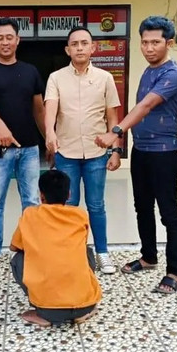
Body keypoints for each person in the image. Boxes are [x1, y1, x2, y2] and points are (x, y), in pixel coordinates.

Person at [95, 16, 177, 292]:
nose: (149, 48)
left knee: (169, 212)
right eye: (144, 42)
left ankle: (175, 272)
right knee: (142, 207)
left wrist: (115, 132)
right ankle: (149, 257)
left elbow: (146, 106)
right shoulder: (148, 71)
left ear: (169, 43)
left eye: (155, 42)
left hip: (164, 153)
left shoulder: (173, 74)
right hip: (142, 150)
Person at [44, 26, 121, 274]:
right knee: (68, 205)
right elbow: (50, 109)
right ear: (67, 49)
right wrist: (49, 133)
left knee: (96, 205)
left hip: (96, 153)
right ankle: (71, 253)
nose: (79, 48)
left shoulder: (105, 78)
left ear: (93, 48)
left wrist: (116, 150)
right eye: (74, 44)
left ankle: (102, 253)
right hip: (66, 152)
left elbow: (113, 117)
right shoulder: (56, 78)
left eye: (84, 43)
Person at [0, 17, 46, 272]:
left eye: (9, 37)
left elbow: (39, 109)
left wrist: (49, 139)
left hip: (29, 149)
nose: (5, 42)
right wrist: (0, 127)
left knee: (32, 200)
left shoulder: (30, 71)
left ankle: (31, 245)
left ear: (18, 40)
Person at [10, 170, 102, 327]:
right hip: (85, 305)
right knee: (86, 251)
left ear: (41, 196)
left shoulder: (30, 214)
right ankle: (82, 312)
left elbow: (14, 247)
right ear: (69, 194)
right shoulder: (80, 215)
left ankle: (42, 313)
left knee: (18, 259)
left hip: (48, 310)